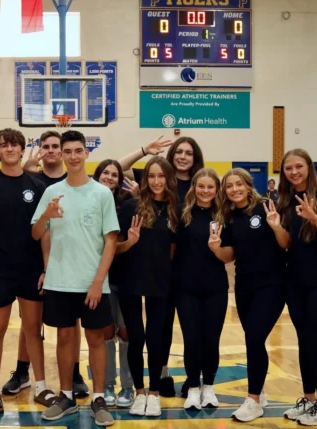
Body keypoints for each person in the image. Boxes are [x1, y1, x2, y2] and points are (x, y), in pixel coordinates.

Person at [31, 130, 118, 427]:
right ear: (63, 155)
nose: (73, 156)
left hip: (92, 282)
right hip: (59, 280)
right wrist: (47, 216)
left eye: (78, 150)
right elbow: (36, 233)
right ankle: (66, 395)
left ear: (86, 153)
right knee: (65, 337)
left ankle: (98, 398)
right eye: (67, 151)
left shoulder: (102, 193)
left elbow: (110, 242)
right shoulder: (51, 192)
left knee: (96, 338)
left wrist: (97, 282)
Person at [0, 128, 55, 412]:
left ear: (21, 148)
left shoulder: (37, 185)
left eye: (14, 144)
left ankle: (40, 385)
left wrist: (46, 267)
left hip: (30, 269)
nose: (9, 149)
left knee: (32, 329)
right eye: (3, 146)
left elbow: (45, 231)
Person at [118, 136, 205, 396]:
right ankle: (151, 383)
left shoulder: (194, 191)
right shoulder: (135, 202)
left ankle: (179, 381)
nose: (183, 157)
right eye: (178, 152)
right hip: (142, 272)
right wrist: (144, 150)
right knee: (147, 332)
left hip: (177, 272)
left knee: (177, 328)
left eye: (188, 153)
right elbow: (118, 167)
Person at [9, 130, 89, 398]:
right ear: (40, 149)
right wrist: (25, 168)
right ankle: (22, 371)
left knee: (71, 320)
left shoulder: (75, 179)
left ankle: (75, 372)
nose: (52, 150)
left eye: (57, 146)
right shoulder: (29, 178)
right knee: (29, 322)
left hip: (67, 260)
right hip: (32, 259)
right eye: (47, 146)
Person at [211, 168, 287, 422]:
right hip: (244, 287)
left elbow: (286, 243)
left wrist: (276, 227)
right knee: (252, 339)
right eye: (229, 186)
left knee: (254, 337)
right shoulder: (230, 216)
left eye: (238, 184)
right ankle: (260, 390)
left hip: (272, 285)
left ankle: (253, 399)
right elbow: (229, 255)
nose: (234, 189)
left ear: (248, 185)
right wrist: (215, 249)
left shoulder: (266, 207)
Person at [275, 149, 317, 425]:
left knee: (314, 342)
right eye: (288, 168)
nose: (294, 172)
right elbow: (287, 244)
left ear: (309, 167)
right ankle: (309, 398)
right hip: (296, 281)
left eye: (298, 166)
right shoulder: (285, 199)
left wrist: (314, 217)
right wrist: (275, 227)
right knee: (304, 342)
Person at [116, 157, 178, 417]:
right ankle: (138, 392)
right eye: (151, 176)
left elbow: (174, 248)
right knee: (136, 337)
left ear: (168, 178)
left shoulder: (176, 209)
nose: (156, 181)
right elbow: (114, 248)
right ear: (145, 179)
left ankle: (154, 392)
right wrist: (130, 242)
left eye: (161, 176)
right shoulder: (130, 207)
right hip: (130, 278)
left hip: (161, 280)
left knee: (155, 338)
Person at [175, 168, 227, 410]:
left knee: (211, 340)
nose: (205, 191)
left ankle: (209, 388)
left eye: (210, 187)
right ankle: (193, 389)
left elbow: (231, 253)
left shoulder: (225, 215)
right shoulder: (182, 214)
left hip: (215, 288)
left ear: (217, 190)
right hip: (186, 288)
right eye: (201, 186)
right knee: (192, 340)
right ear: (194, 188)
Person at [93, 160, 136, 408]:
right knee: (105, 331)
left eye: (114, 175)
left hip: (125, 275)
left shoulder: (126, 204)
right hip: (96, 276)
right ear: (97, 175)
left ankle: (128, 386)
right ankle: (107, 383)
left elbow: (118, 243)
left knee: (126, 330)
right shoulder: (87, 199)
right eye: (105, 173)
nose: (109, 177)